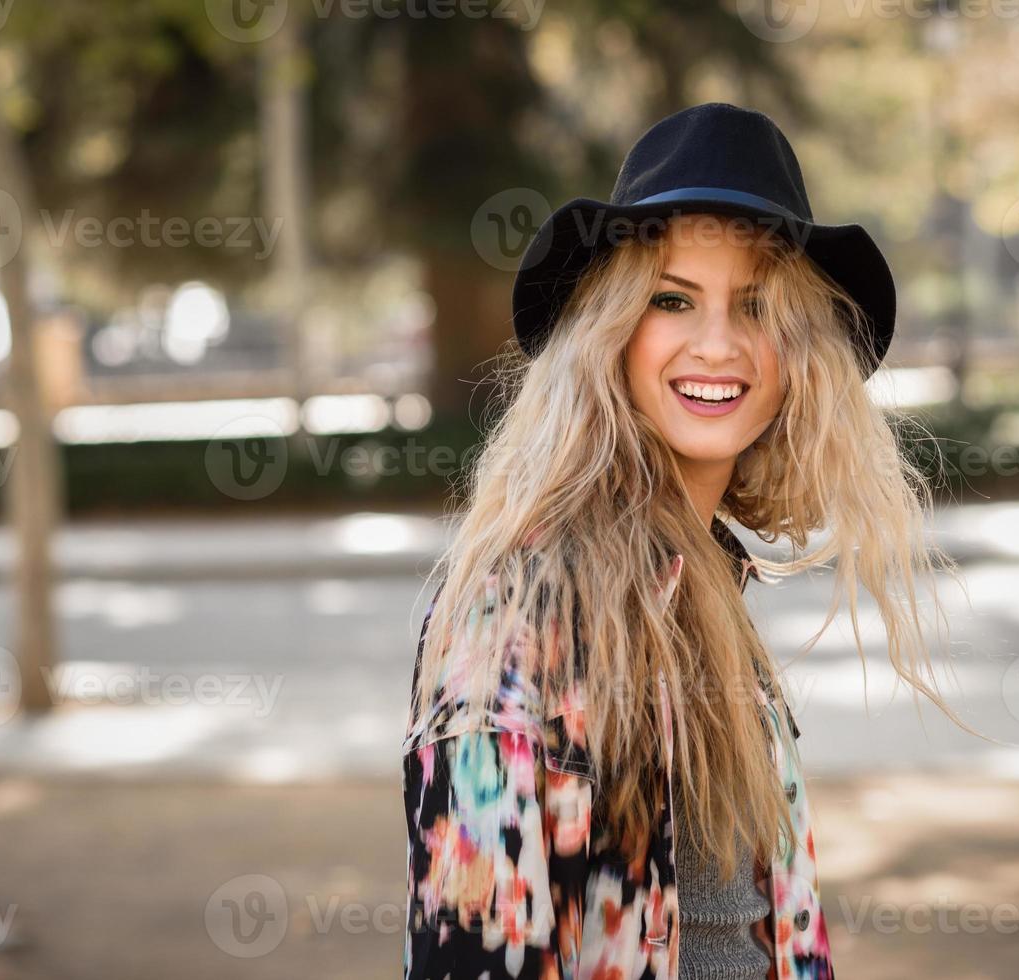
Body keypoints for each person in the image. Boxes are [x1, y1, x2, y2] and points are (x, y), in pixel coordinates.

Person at [401, 102, 968, 980]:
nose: (718, 345)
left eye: (755, 305)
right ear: (611, 336)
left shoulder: (703, 577)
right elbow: (474, 952)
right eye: (672, 300)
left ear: (799, 354)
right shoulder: (525, 598)